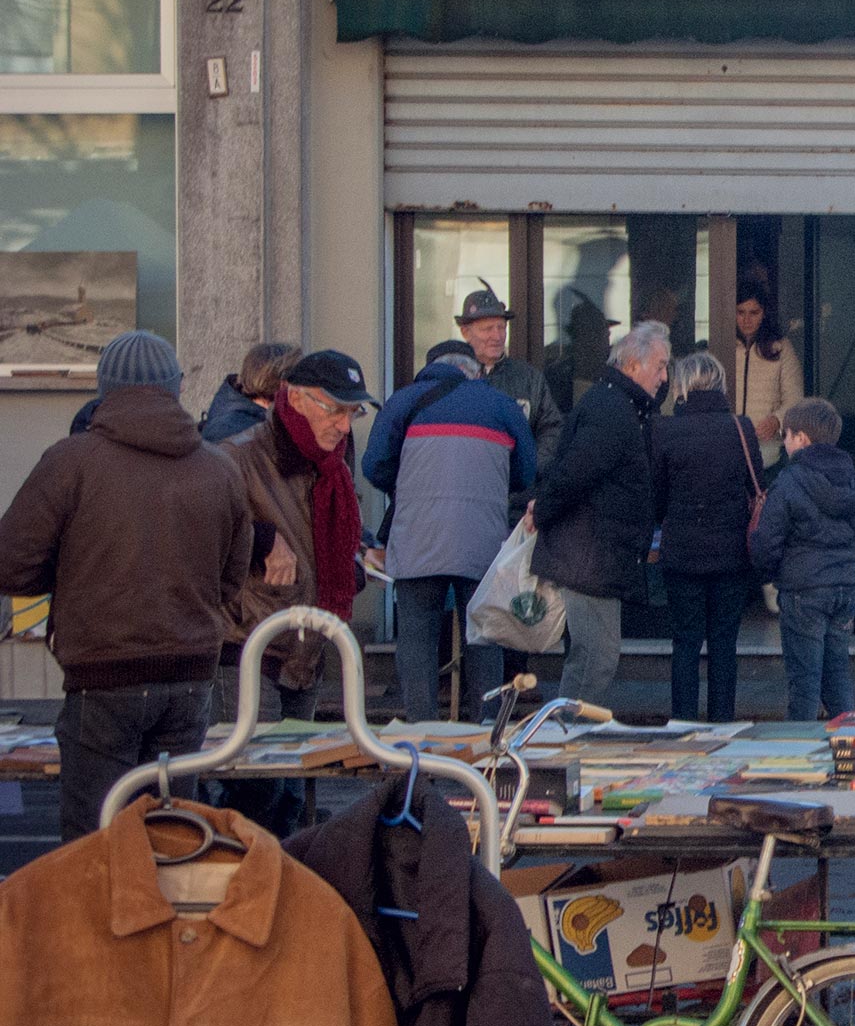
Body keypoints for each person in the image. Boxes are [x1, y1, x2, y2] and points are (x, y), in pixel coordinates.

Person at [0, 331, 250, 841]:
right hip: (190, 673)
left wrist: (74, 575)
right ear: (177, 388)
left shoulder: (71, 461)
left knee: (98, 842)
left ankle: (105, 923)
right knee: (177, 834)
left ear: (103, 390)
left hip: (103, 674)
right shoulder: (219, 468)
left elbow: (11, 566)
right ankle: (177, 920)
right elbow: (232, 578)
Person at [216, 348, 375, 833]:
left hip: (306, 651)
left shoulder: (333, 467)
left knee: (290, 791)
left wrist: (349, 563)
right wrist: (259, 539)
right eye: (335, 409)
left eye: (354, 412)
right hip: (246, 645)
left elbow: (322, 539)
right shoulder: (236, 455)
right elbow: (194, 531)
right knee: (253, 791)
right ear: (296, 398)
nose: (345, 426)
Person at [363, 340, 536, 721]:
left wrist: (414, 485)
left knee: (417, 640)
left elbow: (374, 466)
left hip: (416, 539)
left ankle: (421, 730)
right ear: (474, 372)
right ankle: (485, 731)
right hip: (483, 541)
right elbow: (526, 474)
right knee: (484, 635)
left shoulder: (404, 403)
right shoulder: (503, 406)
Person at [530, 321, 671, 705]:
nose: (664, 376)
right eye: (659, 366)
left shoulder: (617, 404)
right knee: (596, 657)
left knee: (594, 655)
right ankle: (566, 735)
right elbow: (574, 473)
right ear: (632, 365)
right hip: (591, 557)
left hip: (596, 554)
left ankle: (568, 733)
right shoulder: (613, 410)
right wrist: (541, 511)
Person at [750, 398, 855, 721]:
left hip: (803, 589)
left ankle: (800, 752)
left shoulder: (790, 481)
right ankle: (849, 747)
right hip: (846, 587)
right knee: (837, 677)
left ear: (802, 439)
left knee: (804, 683)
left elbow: (767, 542)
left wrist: (771, 574)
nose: (784, 442)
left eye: (787, 435)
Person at [651, 350, 760, 722]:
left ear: (682, 386)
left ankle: (681, 723)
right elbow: (755, 484)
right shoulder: (741, 428)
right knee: (724, 644)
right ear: (720, 384)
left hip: (682, 552)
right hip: (731, 554)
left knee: (685, 642)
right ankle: (721, 725)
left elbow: (657, 497)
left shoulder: (665, 430)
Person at [456, 284, 563, 520]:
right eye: (487, 329)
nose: (497, 336)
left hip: (518, 508)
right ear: (465, 331)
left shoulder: (528, 378)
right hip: (465, 506)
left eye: (501, 327)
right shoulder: (453, 379)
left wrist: (530, 468)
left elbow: (552, 428)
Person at [733, 263, 804, 471]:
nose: (746, 320)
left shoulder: (781, 348)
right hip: (727, 454)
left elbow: (794, 397)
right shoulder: (721, 347)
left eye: (753, 313)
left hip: (767, 456)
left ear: (764, 313)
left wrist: (776, 421)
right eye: (740, 312)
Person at [200, 341, 301, 443]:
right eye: (300, 381)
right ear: (283, 384)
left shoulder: (253, 420)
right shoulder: (235, 434)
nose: (303, 388)